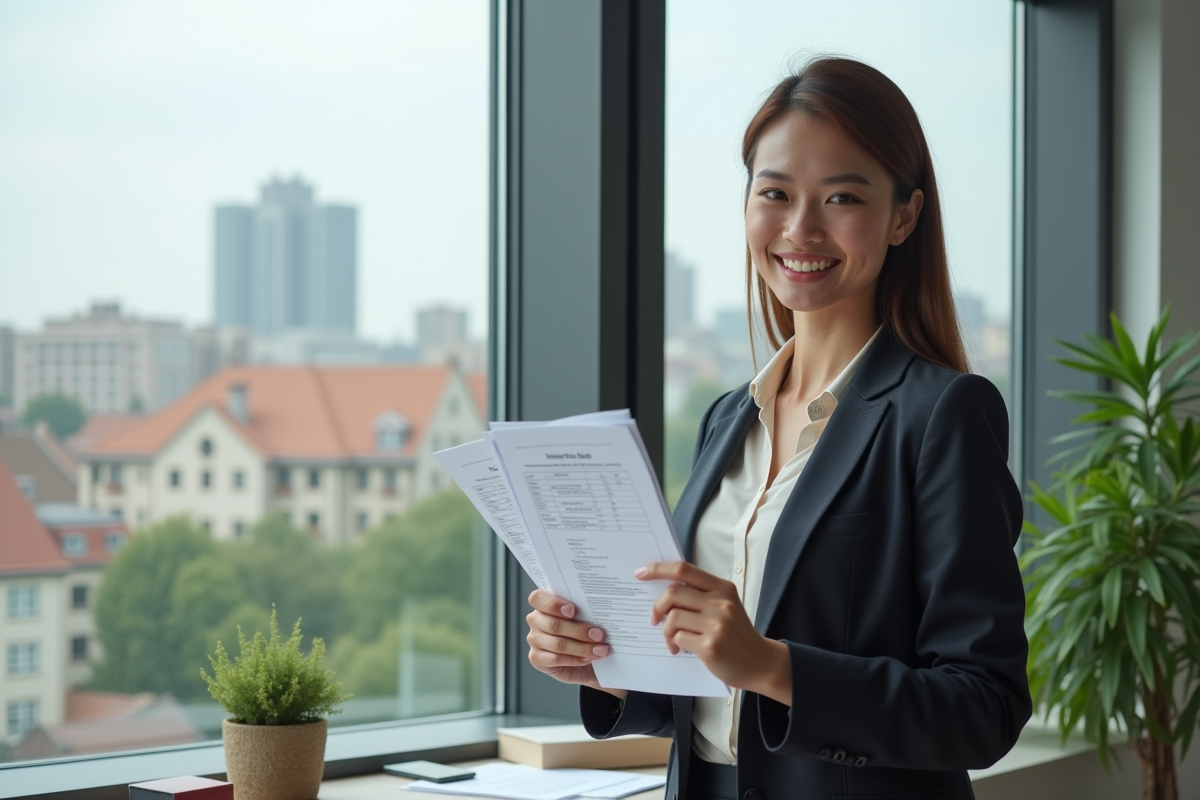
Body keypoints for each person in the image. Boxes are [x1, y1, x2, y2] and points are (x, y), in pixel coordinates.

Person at [525, 57, 1030, 800]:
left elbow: (983, 709)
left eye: (842, 197)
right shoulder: (728, 417)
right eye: (775, 193)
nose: (801, 228)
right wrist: (605, 663)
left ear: (903, 216)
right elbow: (710, 701)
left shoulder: (942, 416)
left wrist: (771, 665)